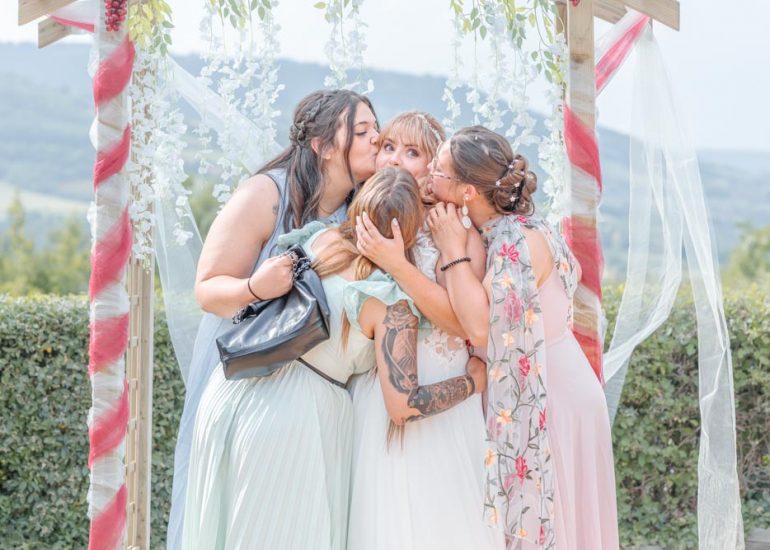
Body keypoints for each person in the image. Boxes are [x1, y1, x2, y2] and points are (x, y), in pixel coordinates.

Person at [168, 88, 379, 549]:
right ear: (323, 146)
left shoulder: (363, 212)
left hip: (320, 404)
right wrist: (255, 288)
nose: (376, 140)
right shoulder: (267, 194)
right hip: (251, 386)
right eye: (362, 131)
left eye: (376, 129)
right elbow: (207, 289)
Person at [427, 125, 619, 549]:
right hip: (558, 382)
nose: (428, 174)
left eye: (437, 170)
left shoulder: (514, 242)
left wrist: (452, 250)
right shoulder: (516, 227)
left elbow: (480, 328)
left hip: (552, 396)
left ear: (467, 192)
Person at [348, 113, 505, 550]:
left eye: (412, 152)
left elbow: (465, 324)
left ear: (433, 166)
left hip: (447, 392)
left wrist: (397, 265)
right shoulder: (369, 215)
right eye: (389, 147)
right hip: (381, 396)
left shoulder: (454, 229)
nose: (395, 159)